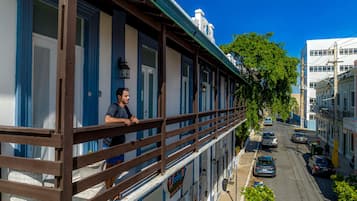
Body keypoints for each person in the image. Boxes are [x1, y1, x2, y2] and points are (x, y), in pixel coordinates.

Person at [104, 87, 139, 191]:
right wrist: (123, 120)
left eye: (128, 96)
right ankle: (108, 189)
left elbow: (130, 116)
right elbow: (107, 119)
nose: (128, 98)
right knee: (110, 167)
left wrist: (134, 119)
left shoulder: (125, 108)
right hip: (111, 142)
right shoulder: (114, 106)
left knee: (118, 165)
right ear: (119, 97)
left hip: (120, 142)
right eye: (126, 96)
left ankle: (110, 186)